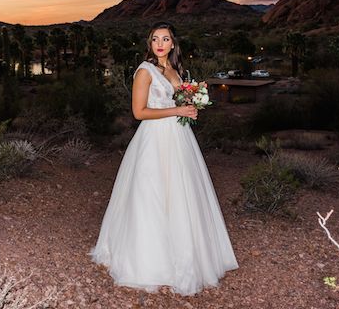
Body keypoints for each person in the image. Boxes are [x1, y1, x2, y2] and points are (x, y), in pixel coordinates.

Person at [90, 22, 238, 295]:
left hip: (179, 139)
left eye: (165, 39)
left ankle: (186, 257)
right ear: (150, 44)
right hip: (153, 139)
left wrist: (189, 110)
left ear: (172, 44)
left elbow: (178, 104)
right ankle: (149, 262)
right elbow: (139, 112)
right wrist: (176, 110)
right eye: (155, 39)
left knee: (182, 194)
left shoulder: (176, 70)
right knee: (152, 195)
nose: (160, 43)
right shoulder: (145, 71)